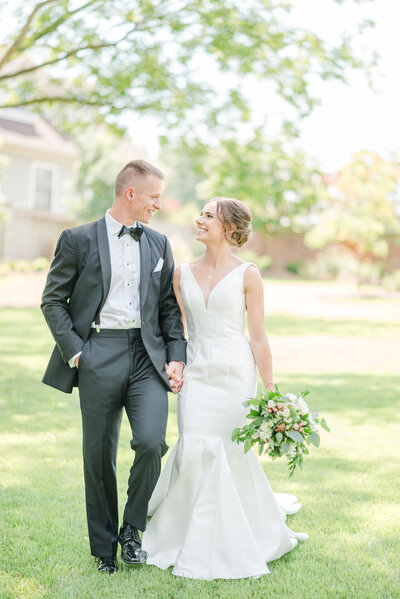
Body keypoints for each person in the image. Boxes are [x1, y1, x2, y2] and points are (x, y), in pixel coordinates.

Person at [142, 197, 308, 580]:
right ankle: (183, 530)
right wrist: (175, 362)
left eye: (208, 216)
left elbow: (259, 338)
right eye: (200, 214)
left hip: (235, 372)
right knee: (195, 441)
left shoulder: (249, 274)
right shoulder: (181, 273)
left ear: (229, 229)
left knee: (229, 448)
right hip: (197, 370)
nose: (198, 220)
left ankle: (241, 530)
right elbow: (174, 328)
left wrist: (270, 389)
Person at [41, 160, 186, 574]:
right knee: (98, 454)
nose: (158, 204)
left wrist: (176, 355)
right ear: (131, 194)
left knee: (152, 441)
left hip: (146, 354)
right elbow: (53, 300)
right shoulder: (78, 239)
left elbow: (167, 309)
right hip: (97, 350)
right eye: (154, 197)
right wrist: (78, 353)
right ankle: (104, 547)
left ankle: (132, 530)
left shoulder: (159, 244)